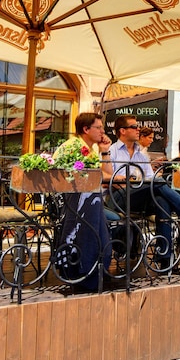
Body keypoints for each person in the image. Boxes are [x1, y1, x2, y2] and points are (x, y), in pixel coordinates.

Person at [106, 115, 180, 267]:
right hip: (120, 197)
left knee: (162, 201)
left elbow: (150, 178)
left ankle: (165, 257)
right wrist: (127, 181)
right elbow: (109, 179)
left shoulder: (140, 154)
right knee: (157, 183)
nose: (138, 129)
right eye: (134, 127)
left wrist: (143, 183)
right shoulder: (111, 151)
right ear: (122, 131)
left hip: (143, 196)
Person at [51, 112, 112, 292]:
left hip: (87, 200)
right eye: (98, 127)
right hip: (70, 204)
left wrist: (105, 151)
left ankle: (93, 272)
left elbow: (106, 174)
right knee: (98, 223)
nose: (103, 131)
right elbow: (100, 176)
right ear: (86, 129)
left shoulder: (89, 149)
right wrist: (118, 177)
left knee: (105, 222)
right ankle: (87, 273)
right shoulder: (75, 147)